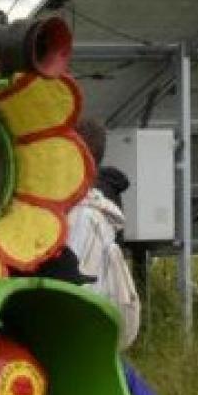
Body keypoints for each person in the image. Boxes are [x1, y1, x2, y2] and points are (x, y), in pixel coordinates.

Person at [63, 118, 140, 349]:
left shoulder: (85, 217)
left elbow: (74, 289)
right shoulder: (95, 209)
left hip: (76, 333)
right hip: (95, 326)